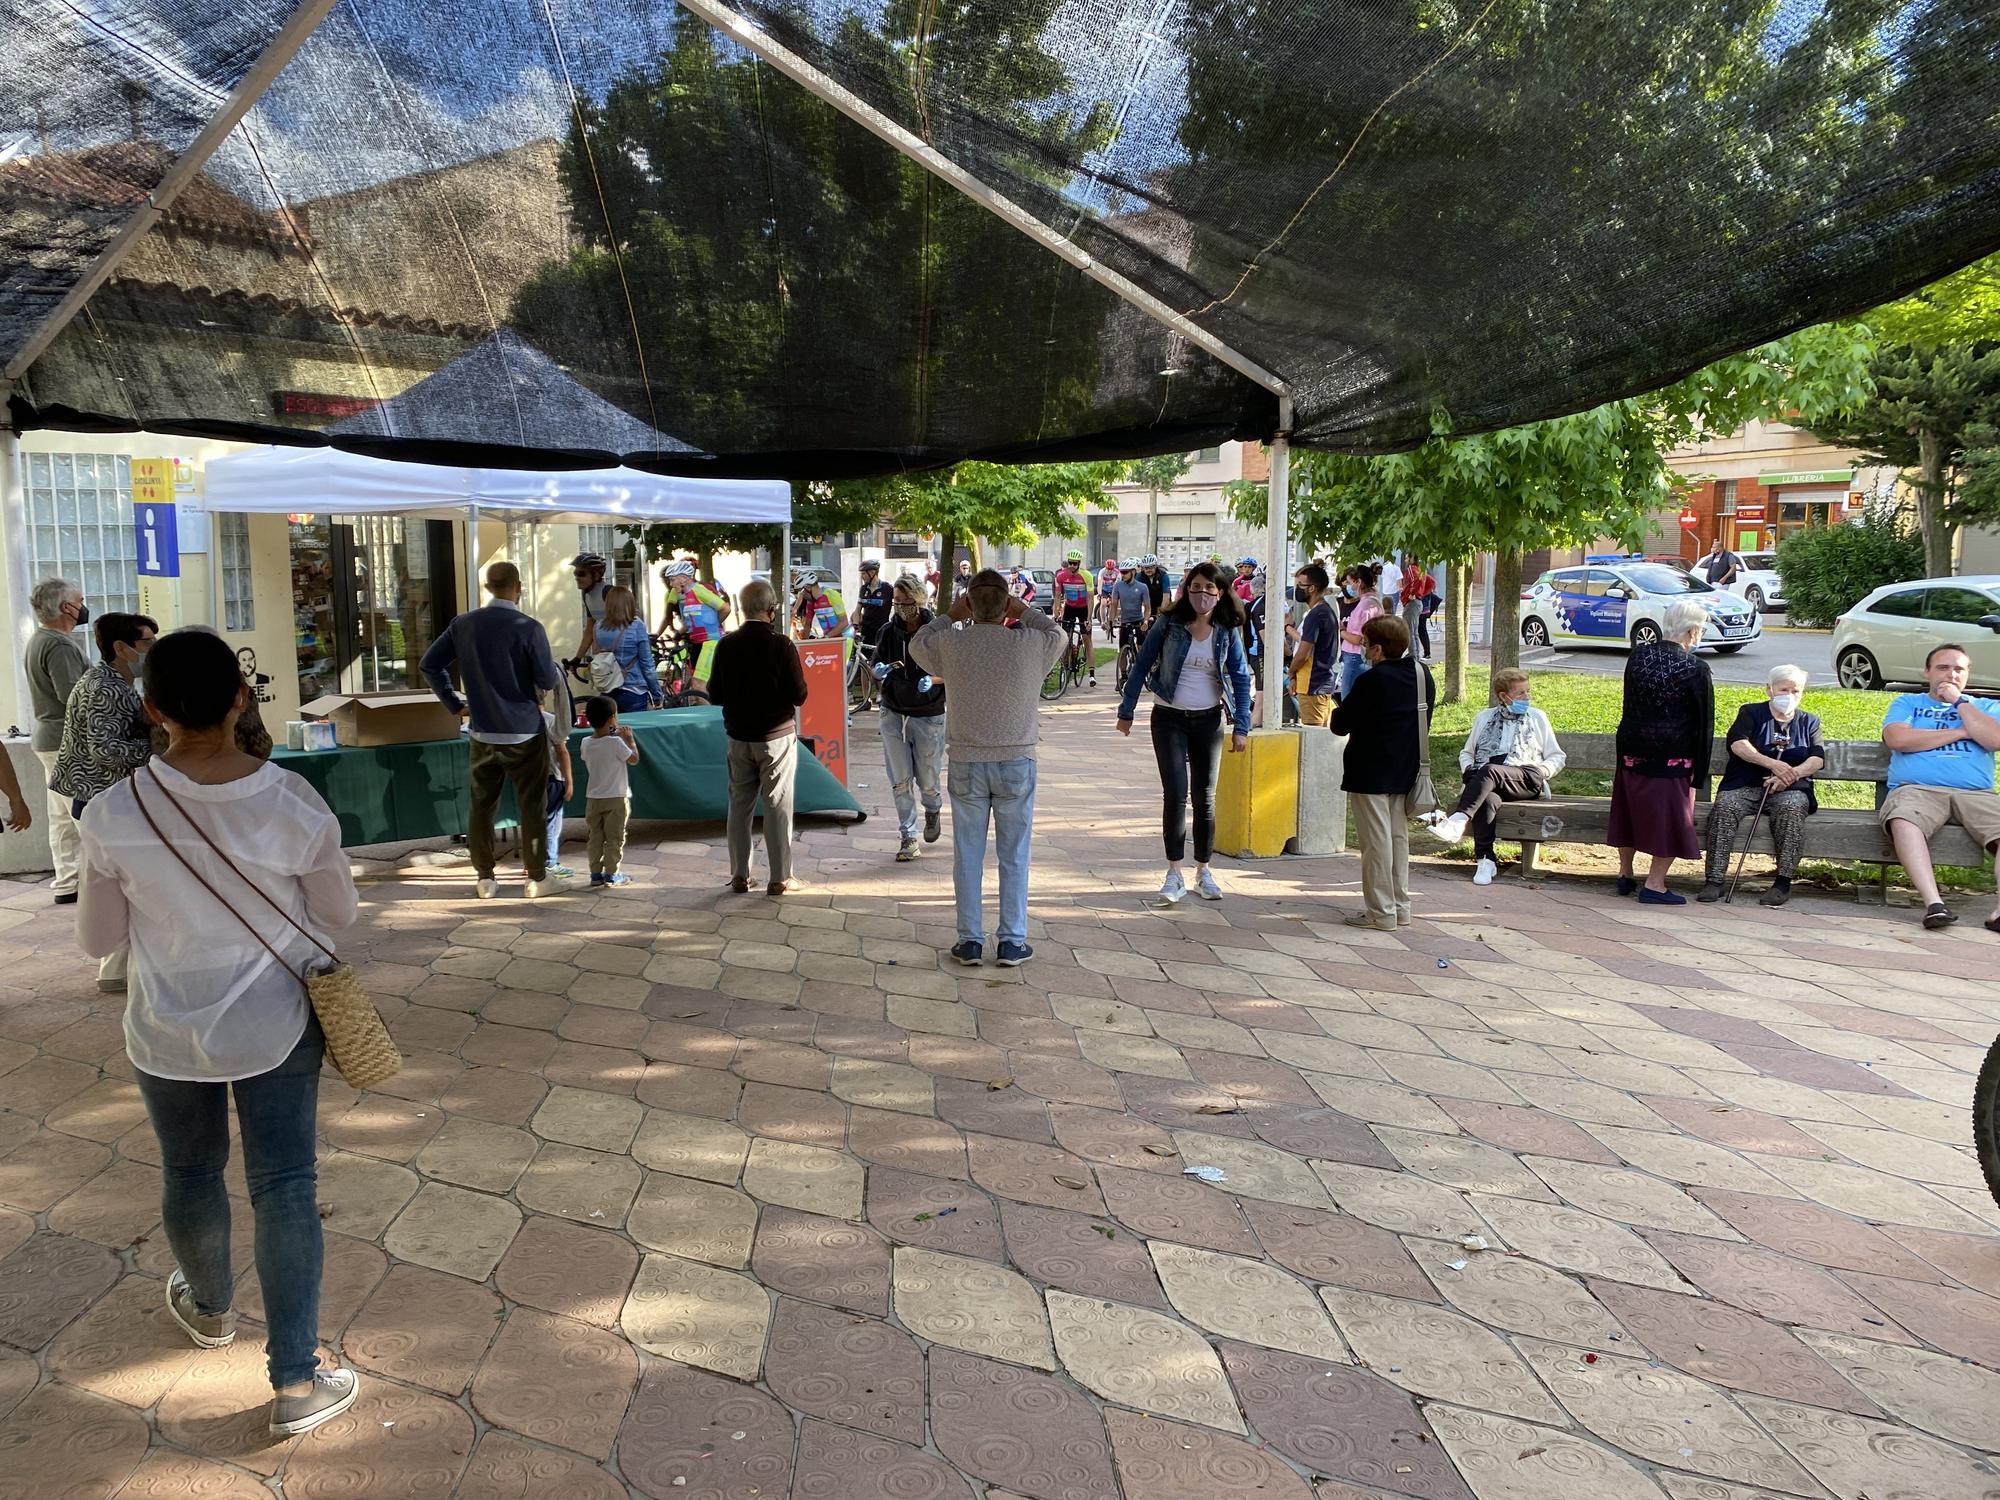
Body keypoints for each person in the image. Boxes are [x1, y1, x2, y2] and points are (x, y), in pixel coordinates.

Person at [75, 628, 360, 1437]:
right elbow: (337, 916)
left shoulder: (111, 813)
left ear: (152, 707)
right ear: (243, 697)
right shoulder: (292, 801)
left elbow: (99, 942)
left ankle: (208, 1308)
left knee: (191, 1172)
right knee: (285, 1187)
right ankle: (297, 1385)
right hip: (275, 1019)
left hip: (165, 1026)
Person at [911, 569, 1066, 967]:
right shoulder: (1030, 643)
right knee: (1015, 854)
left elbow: (917, 644)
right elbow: (1059, 634)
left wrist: (951, 612)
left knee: (967, 853)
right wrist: (1022, 608)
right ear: (1006, 604)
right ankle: (1012, 940)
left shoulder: (951, 643)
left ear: (970, 603)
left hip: (966, 758)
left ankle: (970, 940)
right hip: (1016, 758)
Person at [420, 561, 563, 899]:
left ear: (487, 587)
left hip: (482, 731)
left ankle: (485, 877)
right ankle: (537, 878)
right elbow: (547, 679)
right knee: (532, 806)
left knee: (482, 807)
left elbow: (430, 663)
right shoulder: (529, 627)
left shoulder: (464, 624)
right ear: (519, 587)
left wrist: (455, 704)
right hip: (525, 731)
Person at [1115, 561, 1254, 904]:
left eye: (1209, 588)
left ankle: (1203, 870)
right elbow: (1143, 662)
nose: (1202, 594)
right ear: (1186, 590)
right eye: (1196, 587)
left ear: (1220, 592)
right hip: (1169, 719)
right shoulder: (1169, 623)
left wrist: (1242, 726)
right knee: (1175, 794)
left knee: (1204, 798)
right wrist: (1127, 710)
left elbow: (1240, 677)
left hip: (1209, 720)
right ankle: (1174, 872)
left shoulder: (1226, 630)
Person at [51, 611, 157, 991]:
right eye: (146, 642)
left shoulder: (119, 682)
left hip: (108, 800)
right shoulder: (104, 688)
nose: (151, 649)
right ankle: (114, 971)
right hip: (99, 801)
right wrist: (164, 747)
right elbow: (106, 751)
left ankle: (119, 969)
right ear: (121, 648)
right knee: (122, 888)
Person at [1879, 643, 2000, 931]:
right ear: (1927, 672)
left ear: (1967, 674)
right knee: (1904, 819)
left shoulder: (1986, 706)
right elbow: (1898, 740)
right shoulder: (1908, 704)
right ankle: (1934, 904)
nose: (1951, 674)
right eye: (1943, 667)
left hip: (1976, 793)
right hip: (1917, 788)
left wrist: (1961, 703)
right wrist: (1963, 731)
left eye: (1959, 669)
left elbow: (1994, 740)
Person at [1608, 598, 1714, 904]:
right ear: (1693, 632)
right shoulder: (1696, 667)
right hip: (1673, 757)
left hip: (1631, 751)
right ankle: (1654, 885)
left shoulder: (1638, 656)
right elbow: (1704, 723)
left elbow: (1629, 704)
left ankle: (1625, 874)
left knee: (1628, 814)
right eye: (1702, 629)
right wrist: (1699, 774)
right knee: (1671, 820)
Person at [1332, 616, 1434, 929]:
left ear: (1377, 649)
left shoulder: (1371, 681)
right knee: (1397, 839)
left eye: (1365, 644)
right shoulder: (1421, 674)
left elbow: (1340, 724)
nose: (1361, 649)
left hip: (1370, 770)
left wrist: (1339, 704)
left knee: (1376, 844)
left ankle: (1381, 912)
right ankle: (1401, 907)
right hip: (1407, 768)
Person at [709, 579, 809, 895]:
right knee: (777, 805)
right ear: (772, 609)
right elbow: (799, 695)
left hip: (738, 736)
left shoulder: (725, 645)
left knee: (739, 806)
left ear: (741, 609)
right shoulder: (782, 645)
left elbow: (715, 694)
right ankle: (780, 877)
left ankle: (740, 873)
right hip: (776, 737)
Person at [1428, 668, 1568, 885]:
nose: (1527, 697)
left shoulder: (1537, 718)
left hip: (1527, 778)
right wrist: (1468, 769)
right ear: (1504, 696)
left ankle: (1458, 819)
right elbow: (1467, 753)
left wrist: (1542, 771)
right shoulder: (1485, 717)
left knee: (1490, 769)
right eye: (1520, 693)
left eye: (1528, 691)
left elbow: (1557, 756)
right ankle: (1486, 859)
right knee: (1488, 798)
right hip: (1490, 783)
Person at [1699, 665, 1824, 906]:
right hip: (1745, 785)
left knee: (1791, 808)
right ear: (1769, 689)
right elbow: (1738, 744)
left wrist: (1789, 774)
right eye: (1783, 689)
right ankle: (1714, 880)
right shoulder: (1751, 713)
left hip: (1789, 789)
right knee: (1725, 806)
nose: (1789, 695)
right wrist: (1771, 764)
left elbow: (1817, 758)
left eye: (1795, 690)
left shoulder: (1810, 722)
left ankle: (1782, 883)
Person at [873, 575, 948, 861]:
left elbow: (953, 670)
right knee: (900, 780)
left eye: (907, 602)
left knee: (927, 779)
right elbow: (878, 662)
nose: (902, 608)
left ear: (919, 600)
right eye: (897, 602)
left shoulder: (935, 632)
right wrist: (880, 670)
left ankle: (932, 808)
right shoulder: (888, 632)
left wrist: (934, 679)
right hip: (893, 712)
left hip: (928, 715)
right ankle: (908, 835)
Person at [24, 577, 88, 901]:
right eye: (80, 600)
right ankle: (86, 883)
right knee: (81, 815)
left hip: (49, 739)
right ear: (67, 607)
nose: (83, 606)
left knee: (61, 816)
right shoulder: (60, 645)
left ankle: (67, 881)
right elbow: (73, 695)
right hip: (67, 740)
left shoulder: (39, 640)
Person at [580, 695, 640, 887]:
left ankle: (595, 873)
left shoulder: (585, 742)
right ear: (612, 719)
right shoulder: (616, 743)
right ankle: (612, 874)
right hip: (616, 798)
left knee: (595, 836)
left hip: (593, 798)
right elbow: (634, 759)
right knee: (615, 837)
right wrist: (630, 740)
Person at [589, 584, 662, 713]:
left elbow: (597, 654)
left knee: (612, 732)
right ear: (629, 603)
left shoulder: (598, 626)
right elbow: (647, 664)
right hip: (633, 690)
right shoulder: (636, 626)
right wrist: (657, 694)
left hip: (608, 689)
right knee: (633, 732)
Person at [660, 562, 729, 692]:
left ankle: (709, 712)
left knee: (698, 685)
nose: (670, 584)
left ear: (683, 578)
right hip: (697, 643)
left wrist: (714, 625)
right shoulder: (685, 596)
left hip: (710, 642)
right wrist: (679, 633)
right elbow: (691, 622)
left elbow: (725, 608)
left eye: (672, 580)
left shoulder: (699, 591)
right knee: (700, 686)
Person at [1286, 564, 1339, 727]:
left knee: (1314, 734)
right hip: (1318, 683)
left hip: (1313, 685)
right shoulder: (1324, 611)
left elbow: (1303, 653)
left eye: (1301, 585)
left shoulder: (1316, 615)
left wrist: (1291, 672)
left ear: (1312, 588)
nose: (1297, 589)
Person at [1337, 564, 1385, 699]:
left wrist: (1341, 631)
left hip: (1355, 656)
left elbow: (1359, 639)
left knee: (1348, 699)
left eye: (1350, 582)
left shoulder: (1364, 606)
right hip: (1362, 657)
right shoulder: (1374, 601)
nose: (1348, 587)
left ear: (1359, 582)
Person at [541, 703, 576, 880]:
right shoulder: (550, 720)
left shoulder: (519, 721)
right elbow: (562, 751)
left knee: (534, 820)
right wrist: (569, 779)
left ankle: (534, 862)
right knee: (552, 822)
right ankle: (549, 863)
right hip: (552, 777)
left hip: (529, 778)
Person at [1052, 548, 1097, 687]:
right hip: (1070, 608)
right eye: (1070, 563)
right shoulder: (1060, 576)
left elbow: (1090, 599)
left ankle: (1091, 674)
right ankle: (1066, 667)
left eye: (1075, 563)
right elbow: (1058, 596)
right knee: (1065, 638)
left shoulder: (1087, 575)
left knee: (1086, 638)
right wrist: (1056, 613)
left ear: (1079, 563)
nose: (1072, 565)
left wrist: (1089, 618)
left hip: (1083, 608)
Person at [568, 552, 610, 665]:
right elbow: (590, 628)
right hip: (603, 655)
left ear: (596, 575)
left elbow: (627, 625)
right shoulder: (586, 595)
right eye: (575, 573)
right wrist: (577, 658)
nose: (576, 577)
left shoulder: (608, 592)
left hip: (619, 654)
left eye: (581, 573)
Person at [791, 569, 849, 643]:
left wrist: (826, 637)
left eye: (802, 592)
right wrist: (803, 644)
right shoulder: (811, 602)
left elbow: (844, 622)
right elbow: (807, 625)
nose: (802, 595)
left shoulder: (831, 595)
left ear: (808, 588)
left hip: (845, 637)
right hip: (830, 638)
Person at [854, 559, 894, 651]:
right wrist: (855, 626)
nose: (862, 577)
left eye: (864, 574)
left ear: (872, 573)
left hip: (882, 631)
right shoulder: (863, 589)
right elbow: (858, 609)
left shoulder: (887, 588)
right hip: (866, 631)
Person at [1402, 559, 1436, 658]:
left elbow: (1418, 580)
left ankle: (1413, 655)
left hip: (1412, 603)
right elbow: (1432, 582)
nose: (1406, 559)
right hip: (1417, 603)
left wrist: (1413, 594)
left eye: (1407, 557)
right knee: (1414, 631)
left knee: (1409, 631)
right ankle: (1415, 654)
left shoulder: (1411, 569)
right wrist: (1421, 594)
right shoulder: (1420, 569)